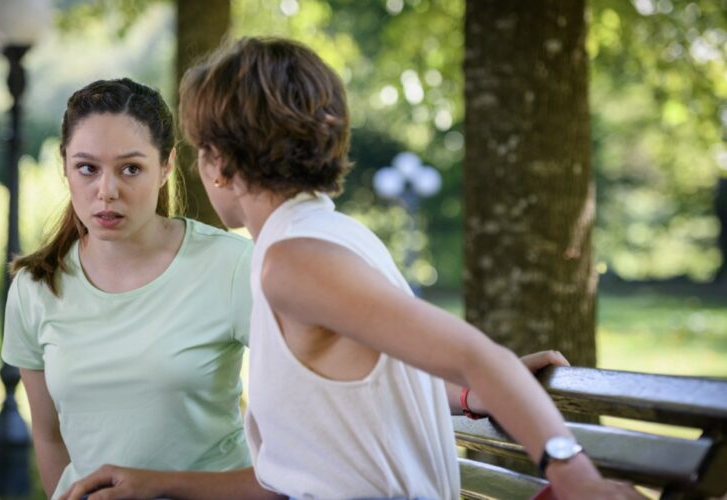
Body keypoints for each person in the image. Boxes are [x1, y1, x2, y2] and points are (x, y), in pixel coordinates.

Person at [63, 38, 642, 499]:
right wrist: (153, 482)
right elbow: (308, 453)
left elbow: (475, 354)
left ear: (218, 163)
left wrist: (576, 475)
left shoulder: (295, 261)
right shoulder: (326, 237)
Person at [1, 78, 257, 499]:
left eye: (131, 168)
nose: (107, 191)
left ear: (167, 166)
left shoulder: (232, 267)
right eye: (87, 168)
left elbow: (296, 433)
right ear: (64, 166)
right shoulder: (35, 286)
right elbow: (48, 437)